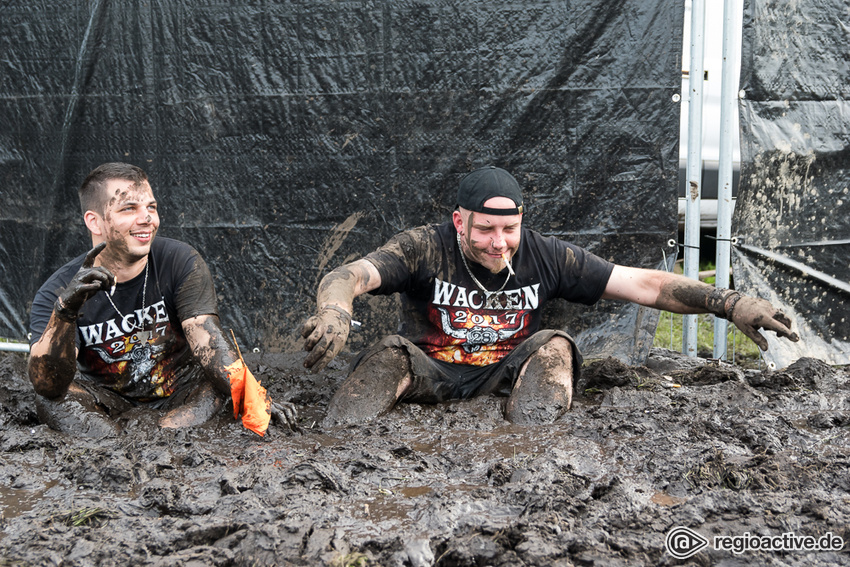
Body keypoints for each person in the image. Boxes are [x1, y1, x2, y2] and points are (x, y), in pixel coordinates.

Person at [302, 165, 800, 426]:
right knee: (388, 353)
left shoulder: (546, 255)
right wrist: (334, 309)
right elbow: (352, 274)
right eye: (485, 230)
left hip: (505, 373)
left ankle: (532, 442)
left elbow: (644, 284)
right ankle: (335, 440)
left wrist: (729, 303)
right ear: (460, 221)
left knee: (556, 344)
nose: (499, 243)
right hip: (429, 369)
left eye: (510, 229)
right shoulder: (424, 247)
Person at [28, 162, 297, 437]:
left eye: (151, 208)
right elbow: (47, 383)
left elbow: (207, 339)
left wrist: (255, 397)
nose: (147, 219)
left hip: (182, 394)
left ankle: (161, 435)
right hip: (109, 401)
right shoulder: (59, 290)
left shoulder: (180, 260)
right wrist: (65, 312)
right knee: (51, 400)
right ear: (94, 221)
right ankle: (115, 443)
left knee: (218, 384)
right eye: (129, 208)